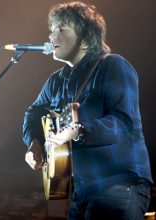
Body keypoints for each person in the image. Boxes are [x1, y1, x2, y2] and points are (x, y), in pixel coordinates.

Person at [22, 1, 153, 219]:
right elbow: (33, 112)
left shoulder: (113, 65)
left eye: (62, 30)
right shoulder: (56, 81)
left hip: (118, 185)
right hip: (80, 192)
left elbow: (123, 123)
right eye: (52, 30)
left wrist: (79, 131)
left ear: (85, 40)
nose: (52, 37)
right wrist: (33, 142)